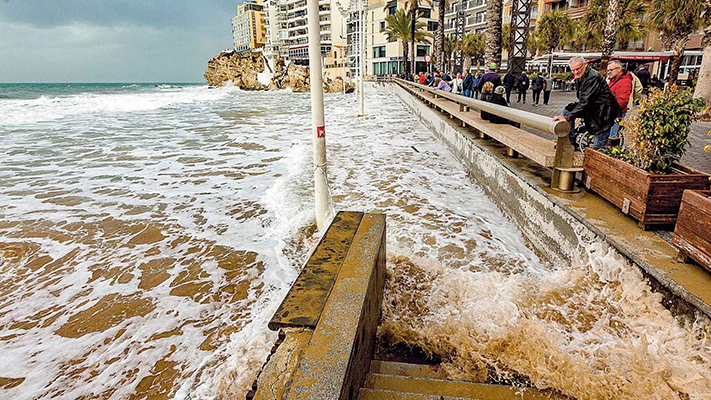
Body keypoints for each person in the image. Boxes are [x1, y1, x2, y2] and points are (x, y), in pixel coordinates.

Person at [554, 56, 620, 148]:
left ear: (585, 65)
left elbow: (586, 101)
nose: (576, 72)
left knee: (597, 147)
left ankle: (597, 156)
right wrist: (568, 116)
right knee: (568, 111)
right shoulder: (581, 77)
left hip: (603, 113)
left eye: (578, 69)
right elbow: (583, 100)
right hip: (593, 107)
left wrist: (568, 117)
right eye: (573, 70)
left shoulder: (593, 77)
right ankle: (570, 142)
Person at [606, 60, 632, 140]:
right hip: (610, 112)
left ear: (619, 69)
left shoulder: (625, 81)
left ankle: (610, 149)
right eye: (608, 70)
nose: (609, 72)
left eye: (611, 70)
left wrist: (609, 109)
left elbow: (622, 100)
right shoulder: (613, 79)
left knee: (611, 136)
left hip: (616, 113)